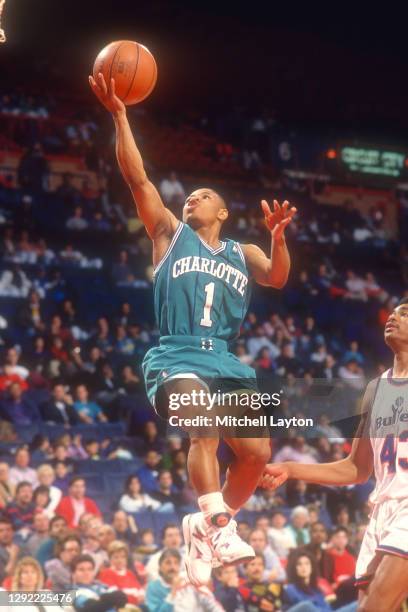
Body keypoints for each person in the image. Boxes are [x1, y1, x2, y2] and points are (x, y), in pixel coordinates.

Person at [89, 70, 296, 587]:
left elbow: (276, 277)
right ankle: (220, 522)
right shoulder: (168, 234)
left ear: (223, 211)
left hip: (225, 359)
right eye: (190, 195)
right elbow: (138, 179)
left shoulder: (241, 251)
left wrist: (277, 237)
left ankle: (201, 526)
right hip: (177, 355)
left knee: (255, 454)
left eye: (203, 196)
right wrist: (120, 115)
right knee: (201, 425)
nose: (191, 199)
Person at [261, 297, 408, 610]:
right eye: (392, 313)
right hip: (382, 511)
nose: (393, 317)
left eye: (405, 313)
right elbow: (356, 469)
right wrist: (290, 468)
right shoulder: (374, 389)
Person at [97, 540, 145, 606]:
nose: (120, 560)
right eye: (116, 557)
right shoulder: (106, 573)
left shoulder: (129, 573)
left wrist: (141, 596)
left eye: (123, 557)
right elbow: (116, 597)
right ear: (110, 558)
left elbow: (139, 589)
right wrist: (136, 599)